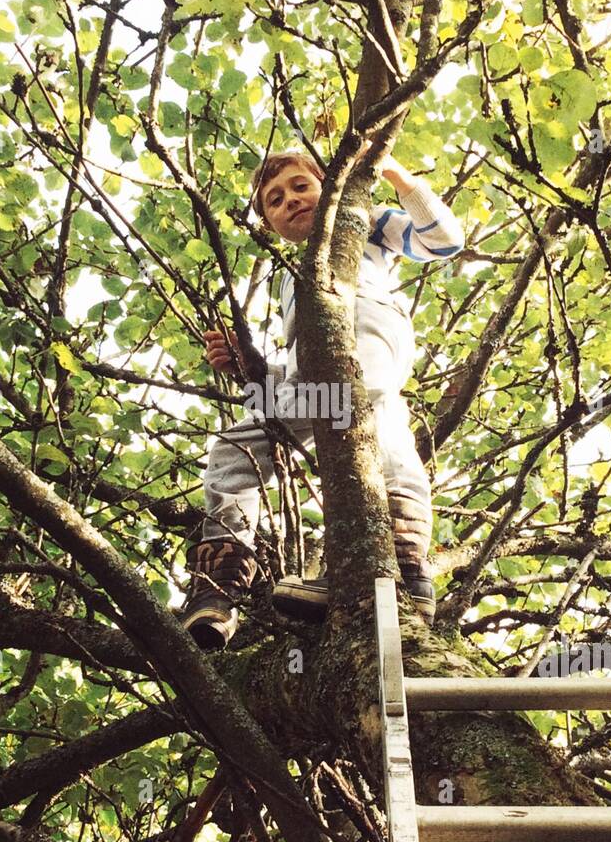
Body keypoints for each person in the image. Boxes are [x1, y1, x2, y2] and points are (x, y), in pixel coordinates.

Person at [180, 144, 465, 650]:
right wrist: (250, 369)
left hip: (367, 338)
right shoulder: (289, 279)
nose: (289, 200)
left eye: (300, 185)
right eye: (274, 199)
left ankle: (404, 568)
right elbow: (284, 401)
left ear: (329, 188)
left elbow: (443, 241)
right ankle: (220, 581)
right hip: (314, 372)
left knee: (371, 416)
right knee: (240, 442)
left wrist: (392, 170)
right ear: (268, 224)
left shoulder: (364, 225)